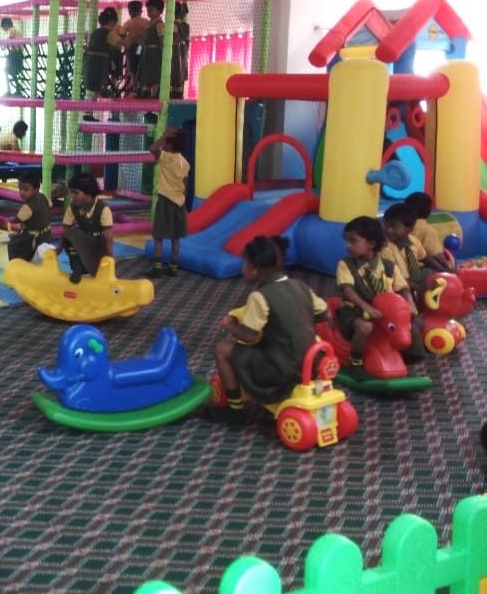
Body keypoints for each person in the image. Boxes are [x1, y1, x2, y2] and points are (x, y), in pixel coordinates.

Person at [211, 236, 329, 424]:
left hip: (282, 368)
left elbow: (249, 337)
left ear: (254, 268)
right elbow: (325, 314)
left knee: (222, 349)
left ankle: (235, 410)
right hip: (311, 363)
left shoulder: (260, 296)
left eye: (244, 262)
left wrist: (230, 325)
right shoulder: (300, 286)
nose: (242, 268)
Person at [335, 216, 421, 379]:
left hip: (385, 312)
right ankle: (356, 361)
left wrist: (410, 304)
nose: (348, 246)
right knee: (365, 327)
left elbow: (403, 288)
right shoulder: (345, 265)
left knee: (412, 323)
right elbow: (348, 290)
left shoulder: (388, 266)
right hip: (356, 309)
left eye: (353, 241)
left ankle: (406, 356)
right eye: (347, 241)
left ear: (371, 244)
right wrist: (366, 307)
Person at [148, 127, 190, 277]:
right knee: (175, 237)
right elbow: (185, 186)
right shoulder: (185, 162)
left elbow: (152, 149)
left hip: (166, 201)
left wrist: (163, 135)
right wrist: (182, 201)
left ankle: (157, 267)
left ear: (169, 145)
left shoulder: (166, 157)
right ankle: (173, 266)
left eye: (165, 142)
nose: (163, 144)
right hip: (179, 203)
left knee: (158, 235)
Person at [58, 173, 114, 284]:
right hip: (83, 242)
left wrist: (110, 256)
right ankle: (77, 269)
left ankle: (91, 268)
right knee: (72, 234)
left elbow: (108, 235)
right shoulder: (73, 207)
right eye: (71, 192)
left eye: (76, 193)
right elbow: (66, 230)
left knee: (99, 266)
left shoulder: (103, 208)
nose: (72, 196)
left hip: (97, 244)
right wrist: (59, 249)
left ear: (88, 193)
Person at [81, 7, 124, 117]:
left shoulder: (95, 32)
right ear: (112, 22)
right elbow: (123, 43)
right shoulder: (109, 33)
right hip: (99, 65)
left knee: (96, 90)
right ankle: (90, 113)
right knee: (98, 90)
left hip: (89, 63)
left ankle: (89, 113)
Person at [382, 202, 432, 294]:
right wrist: (418, 287)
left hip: (414, 277)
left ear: (409, 228)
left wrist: (445, 270)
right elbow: (395, 277)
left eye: (393, 226)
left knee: (431, 273)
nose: (388, 230)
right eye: (386, 224)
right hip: (397, 284)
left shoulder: (413, 241)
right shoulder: (385, 248)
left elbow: (426, 258)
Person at [7, 168, 52, 262]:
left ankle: (15, 265)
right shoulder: (43, 196)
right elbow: (50, 205)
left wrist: (11, 219)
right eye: (20, 189)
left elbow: (19, 218)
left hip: (33, 237)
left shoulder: (29, 205)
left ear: (36, 189)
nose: (21, 192)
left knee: (13, 244)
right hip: (47, 234)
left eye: (25, 189)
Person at [404, 192, 454, 271]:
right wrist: (449, 264)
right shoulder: (427, 230)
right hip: (418, 268)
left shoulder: (402, 226)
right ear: (429, 211)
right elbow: (436, 254)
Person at [137, 0, 166, 99]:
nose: (149, 13)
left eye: (151, 10)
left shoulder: (159, 24)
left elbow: (162, 39)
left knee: (154, 75)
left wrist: (162, 53)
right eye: (148, 10)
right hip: (147, 52)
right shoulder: (149, 24)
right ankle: (145, 93)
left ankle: (154, 95)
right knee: (146, 74)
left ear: (160, 11)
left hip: (154, 53)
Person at [121, 0, 150, 95]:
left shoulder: (128, 23)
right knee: (143, 68)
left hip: (132, 48)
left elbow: (122, 34)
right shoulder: (147, 22)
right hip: (143, 48)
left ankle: (136, 88)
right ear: (141, 11)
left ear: (130, 11)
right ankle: (144, 88)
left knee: (133, 69)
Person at [0, 17, 26, 95]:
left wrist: (4, 46)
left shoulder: (11, 30)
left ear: (6, 25)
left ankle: (10, 90)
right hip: (19, 53)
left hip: (14, 53)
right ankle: (17, 89)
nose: (4, 30)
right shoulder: (17, 31)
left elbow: (10, 40)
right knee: (11, 71)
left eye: (3, 27)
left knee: (6, 70)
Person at [170, 1, 190, 99]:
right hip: (174, 50)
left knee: (180, 73)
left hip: (181, 50)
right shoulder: (169, 24)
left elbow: (186, 39)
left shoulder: (184, 25)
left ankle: (179, 95)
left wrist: (178, 25)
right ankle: (173, 94)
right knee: (173, 73)